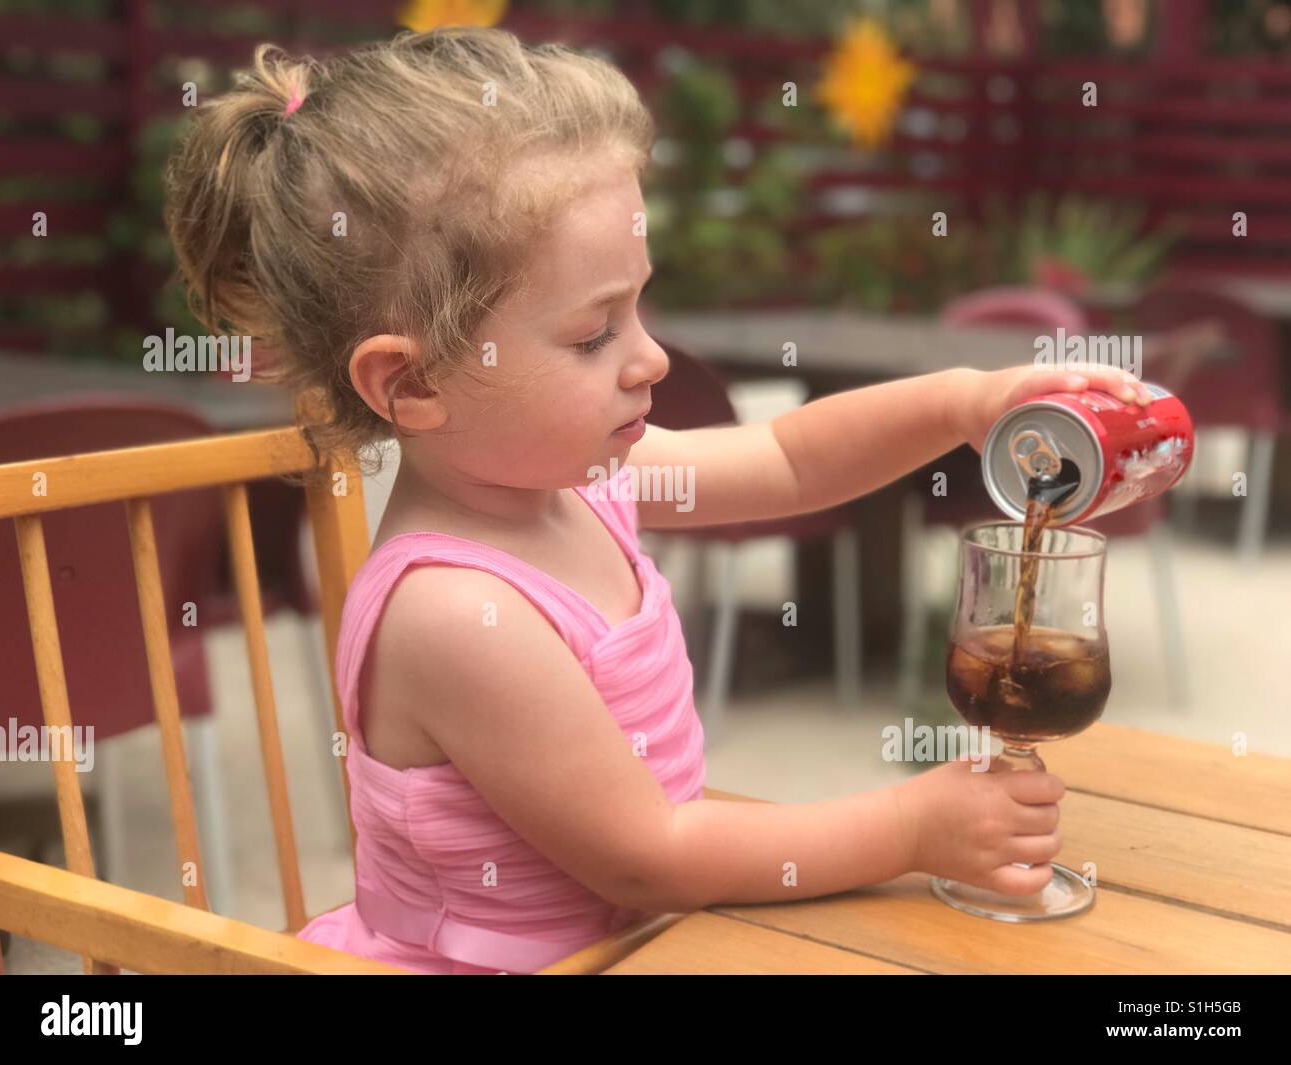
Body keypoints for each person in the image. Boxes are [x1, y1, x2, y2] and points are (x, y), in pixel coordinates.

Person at [162, 26, 1152, 974]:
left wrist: (964, 403)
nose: (651, 356)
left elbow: (785, 460)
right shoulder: (456, 611)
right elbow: (649, 855)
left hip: (655, 943)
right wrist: (910, 827)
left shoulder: (577, 481)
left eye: (639, 303)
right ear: (411, 386)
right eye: (595, 332)